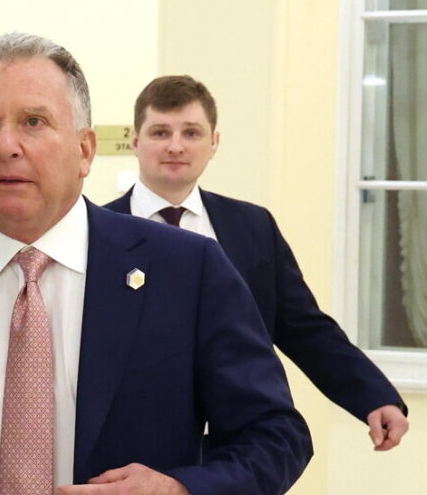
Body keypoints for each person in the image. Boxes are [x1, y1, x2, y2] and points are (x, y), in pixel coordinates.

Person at [0, 33, 312, 495]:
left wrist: (180, 489)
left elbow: (276, 435)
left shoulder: (188, 271)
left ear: (85, 150)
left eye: (33, 121)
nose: (5, 146)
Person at [105, 74, 409, 451]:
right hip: (133, 447)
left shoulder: (252, 227)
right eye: (160, 132)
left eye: (192, 133)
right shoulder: (99, 233)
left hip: (240, 445)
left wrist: (374, 396)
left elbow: (304, 328)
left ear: (214, 143)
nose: (176, 146)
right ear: (135, 141)